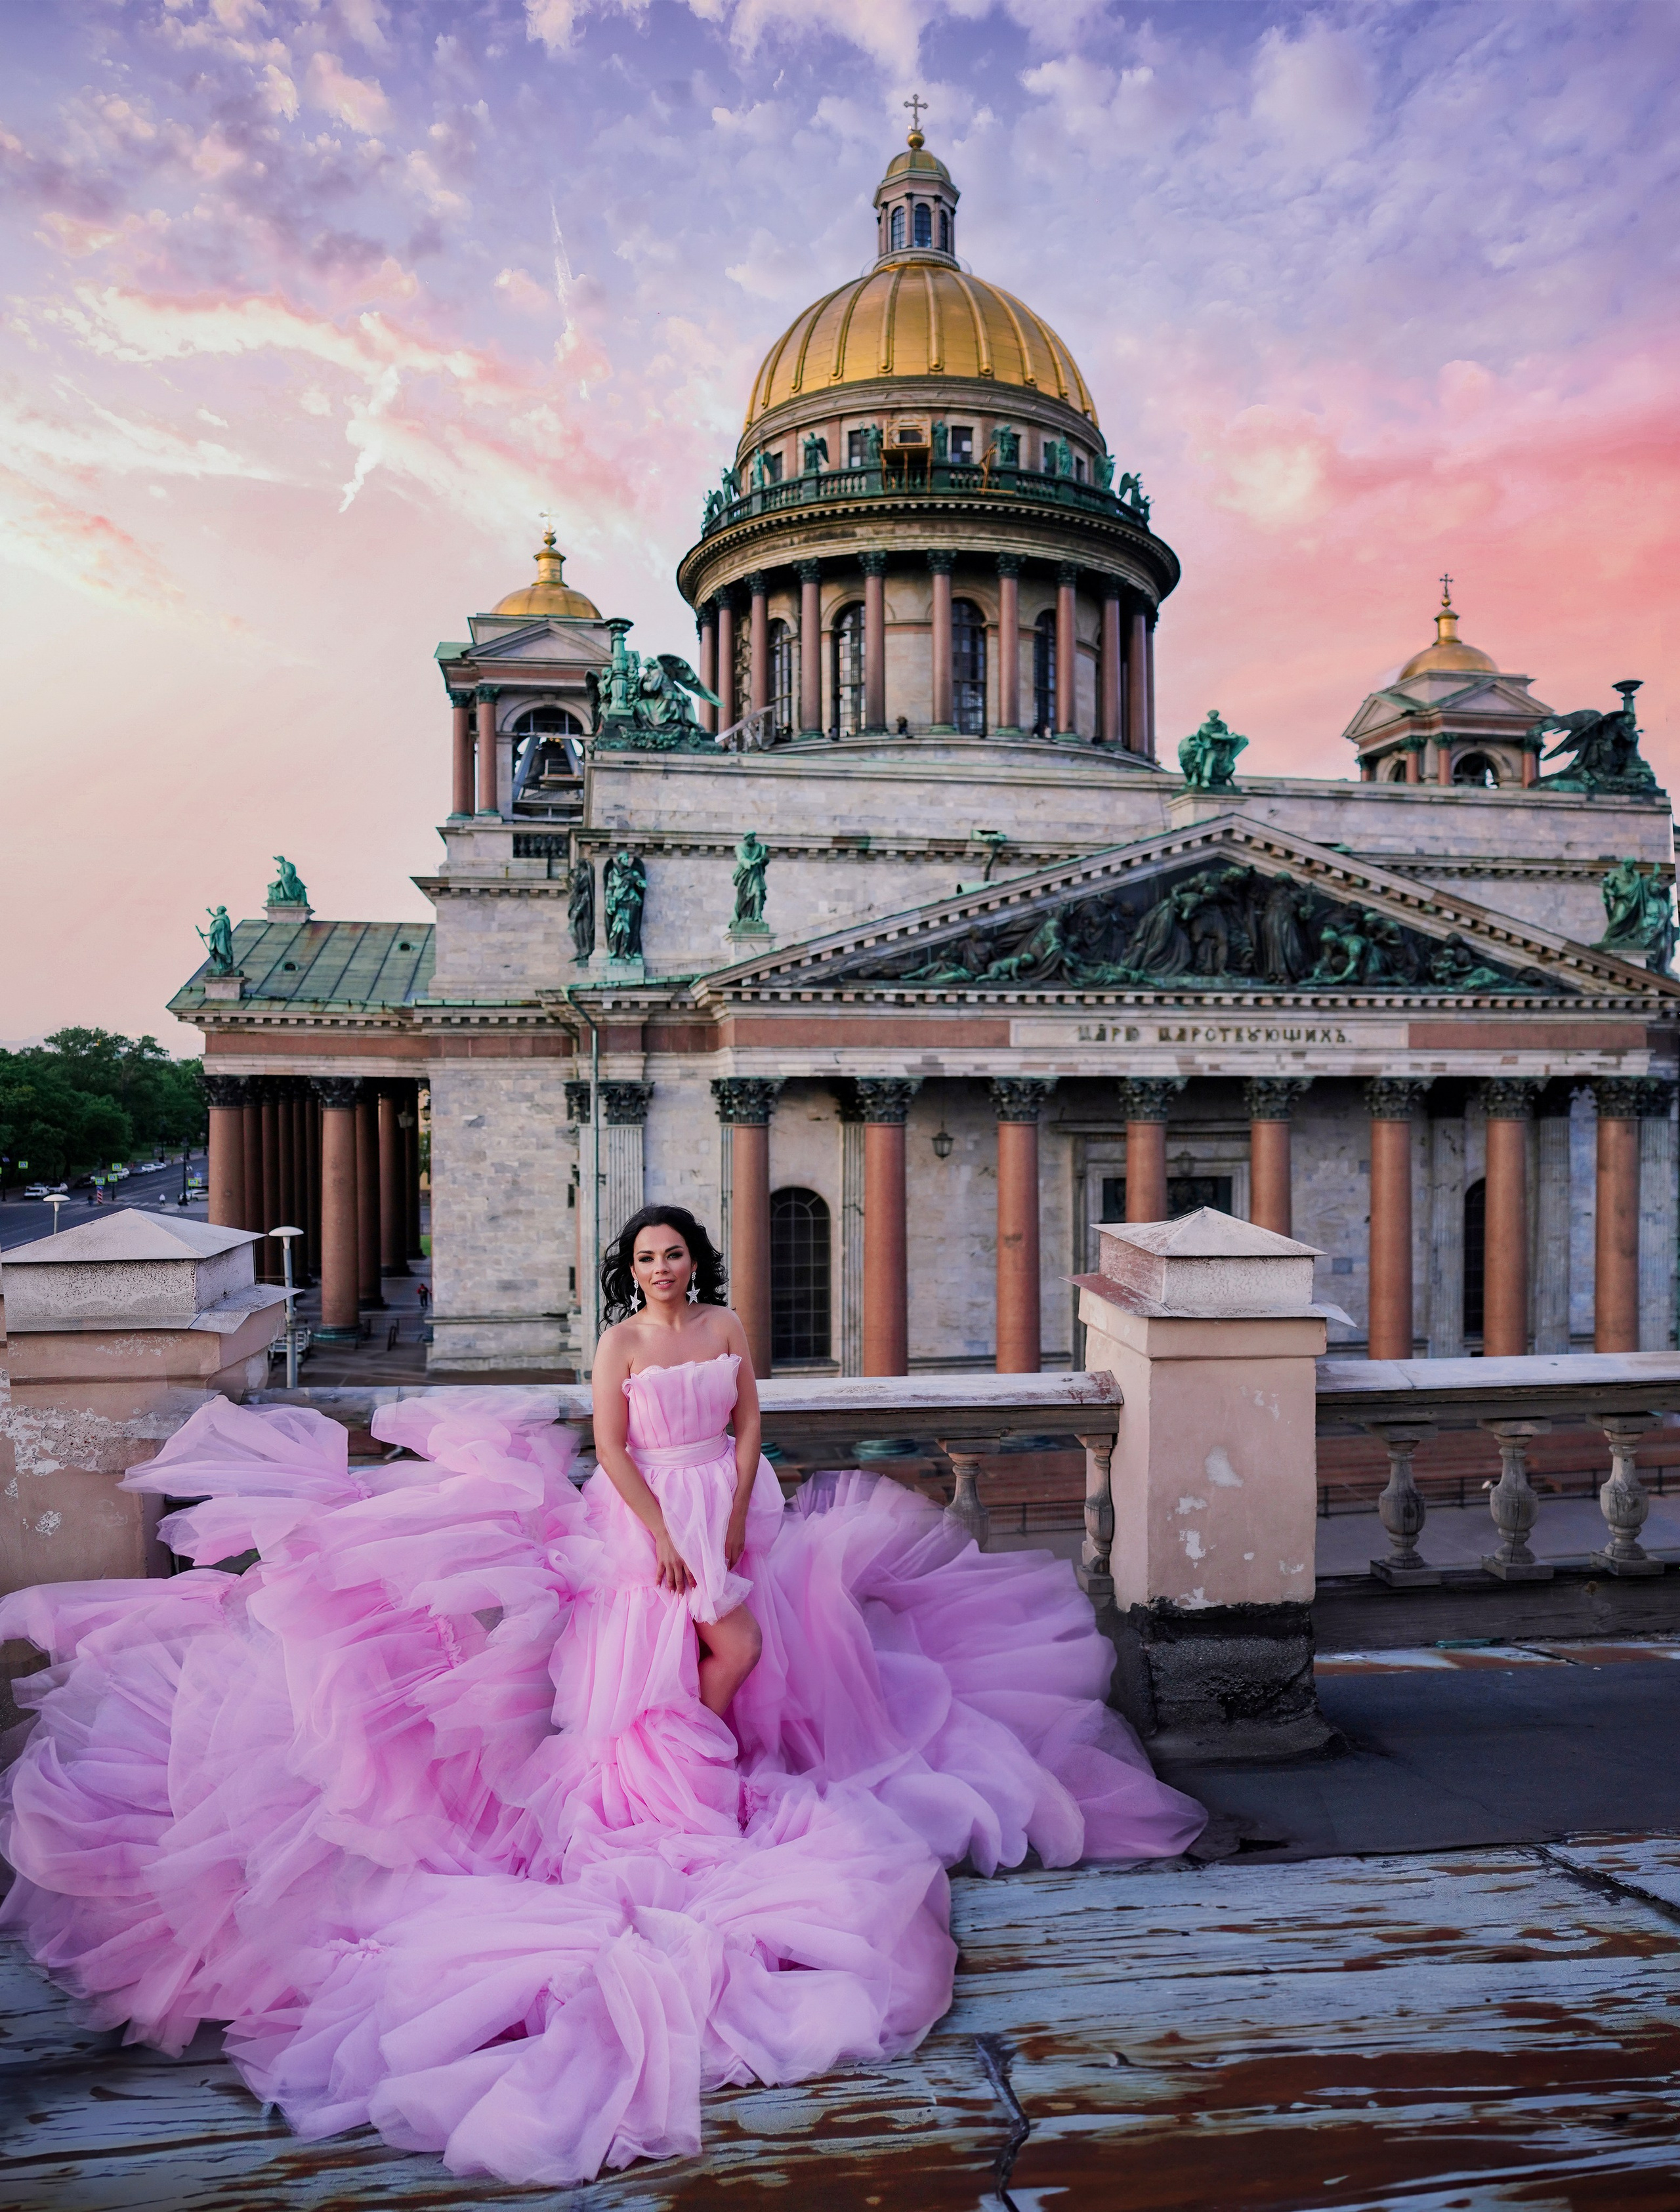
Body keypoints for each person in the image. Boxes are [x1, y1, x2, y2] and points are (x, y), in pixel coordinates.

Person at [0, 1203, 1204, 2188]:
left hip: (724, 1508)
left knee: (731, 1649)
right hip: (638, 1525)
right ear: (630, 1274)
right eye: (646, 1258)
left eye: (674, 1253)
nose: (663, 1269)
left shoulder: (726, 1321)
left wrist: (729, 1517)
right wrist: (659, 1538)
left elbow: (746, 1428)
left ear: (698, 1263)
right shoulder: (625, 1343)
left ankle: (707, 1747)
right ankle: (663, 1772)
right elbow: (617, 1450)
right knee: (655, 1657)